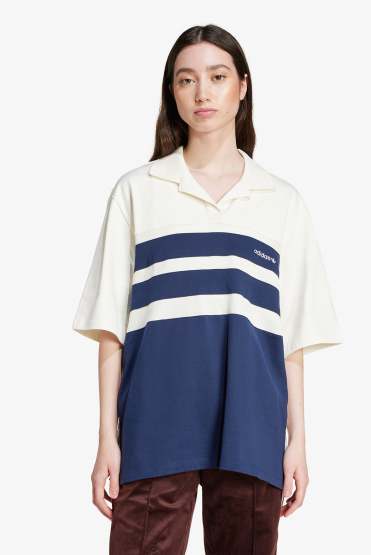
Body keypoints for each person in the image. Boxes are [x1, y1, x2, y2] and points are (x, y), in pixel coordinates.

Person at [72, 23, 342, 555]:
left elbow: (290, 339)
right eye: (186, 79)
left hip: (251, 428)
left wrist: (298, 441)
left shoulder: (281, 201)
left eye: (217, 77)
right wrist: (106, 438)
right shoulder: (138, 191)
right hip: (154, 423)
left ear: (242, 86)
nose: (202, 92)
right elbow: (110, 329)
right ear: (172, 93)